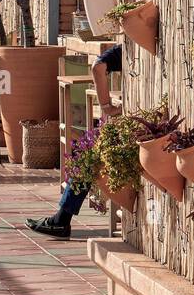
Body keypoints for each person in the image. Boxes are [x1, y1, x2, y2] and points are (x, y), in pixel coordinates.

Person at [25, 44, 123, 240]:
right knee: (88, 153)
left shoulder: (129, 44)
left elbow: (98, 67)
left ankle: (61, 221)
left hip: (135, 131)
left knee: (87, 156)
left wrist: (105, 106)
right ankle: (61, 220)